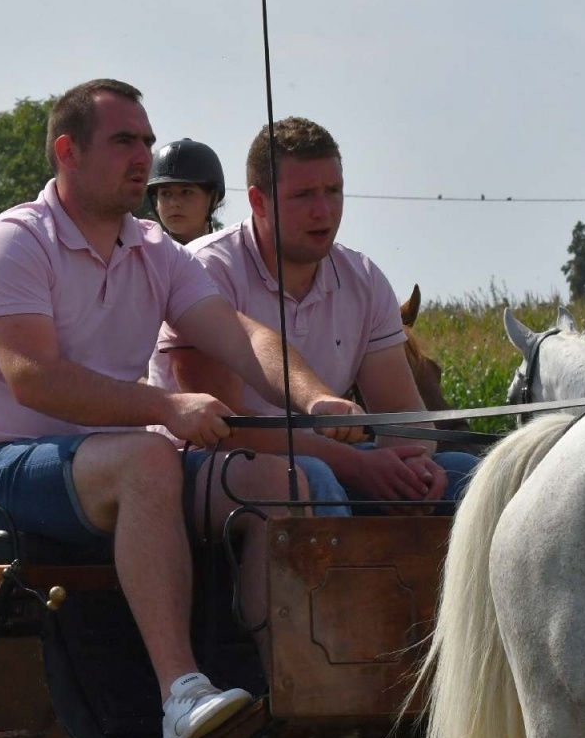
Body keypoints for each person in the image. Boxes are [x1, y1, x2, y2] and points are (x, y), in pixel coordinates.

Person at [0, 78, 366, 738]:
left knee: (283, 480)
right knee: (149, 457)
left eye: (145, 140)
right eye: (123, 142)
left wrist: (315, 400)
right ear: (66, 152)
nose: (143, 156)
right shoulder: (14, 243)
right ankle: (181, 697)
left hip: (108, 467)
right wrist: (165, 407)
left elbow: (240, 334)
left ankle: (290, 693)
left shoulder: (153, 250)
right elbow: (33, 378)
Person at [153, 117, 478, 516]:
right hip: (206, 465)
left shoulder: (363, 279)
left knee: (465, 476)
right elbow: (226, 427)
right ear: (258, 202)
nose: (323, 210)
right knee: (311, 482)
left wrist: (413, 464)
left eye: (333, 191)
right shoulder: (205, 269)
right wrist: (357, 465)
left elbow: (403, 416)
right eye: (304, 195)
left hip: (331, 461)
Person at [146, 137, 225, 244]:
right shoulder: (141, 256)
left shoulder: (231, 256)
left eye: (186, 192)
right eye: (166, 194)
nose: (174, 203)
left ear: (213, 198)